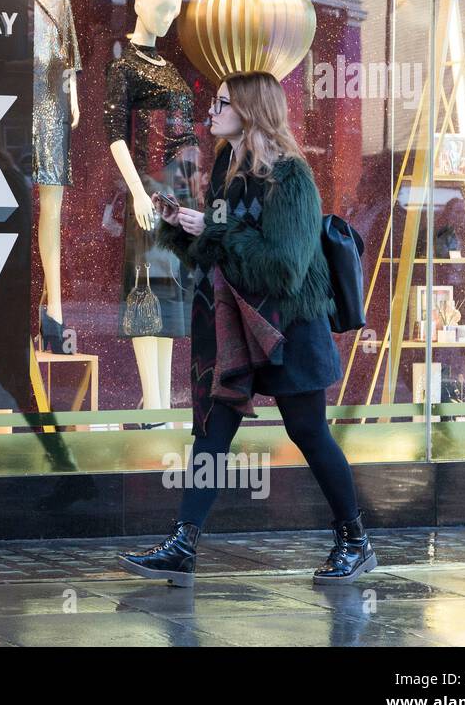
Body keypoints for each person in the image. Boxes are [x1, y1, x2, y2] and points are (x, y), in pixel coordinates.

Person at [118, 71, 374, 587]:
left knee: (308, 432)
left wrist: (213, 229)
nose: (210, 113)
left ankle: (354, 540)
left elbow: (282, 269)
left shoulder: (292, 179)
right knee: (213, 431)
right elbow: (216, 246)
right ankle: (183, 544)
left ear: (251, 111)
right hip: (234, 324)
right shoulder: (223, 167)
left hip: (290, 328)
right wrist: (179, 225)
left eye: (221, 104)